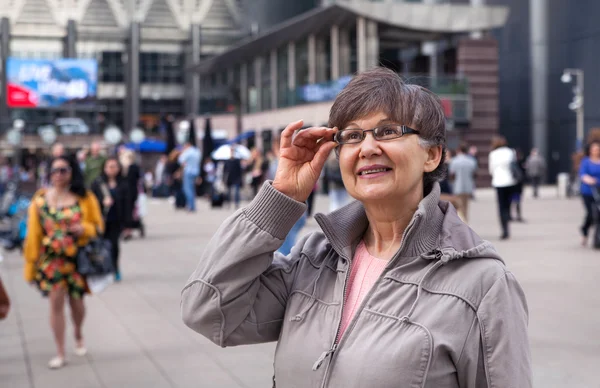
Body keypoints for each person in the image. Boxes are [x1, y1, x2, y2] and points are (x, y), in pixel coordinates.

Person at [182, 68, 531, 387]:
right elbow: (210, 310)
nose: (366, 148)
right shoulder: (315, 257)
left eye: (388, 131)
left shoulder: (482, 283)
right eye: (351, 136)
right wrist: (280, 198)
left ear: (432, 155)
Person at [23, 155, 103, 369]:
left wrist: (84, 229)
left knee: (77, 303)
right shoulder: (40, 200)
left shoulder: (84, 198)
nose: (59, 175)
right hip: (51, 261)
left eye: (64, 170)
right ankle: (60, 351)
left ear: (72, 172)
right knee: (55, 303)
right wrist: (30, 268)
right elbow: (33, 237)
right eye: (55, 170)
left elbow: (98, 226)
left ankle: (78, 332)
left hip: (77, 259)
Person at [92, 157, 129, 281]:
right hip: (101, 220)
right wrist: (103, 203)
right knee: (100, 245)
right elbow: (92, 202)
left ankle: (115, 268)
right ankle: (101, 269)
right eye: (109, 166)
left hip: (116, 220)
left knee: (114, 245)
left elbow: (127, 204)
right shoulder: (97, 183)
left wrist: (128, 224)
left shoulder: (123, 183)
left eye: (114, 166)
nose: (112, 169)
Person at [488, 135, 518, 240]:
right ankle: (508, 218)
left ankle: (504, 230)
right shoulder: (511, 152)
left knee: (501, 206)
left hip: (498, 182)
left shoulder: (493, 154)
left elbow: (491, 170)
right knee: (508, 204)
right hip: (510, 181)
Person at [579, 140, 600, 247]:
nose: (596, 151)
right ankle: (585, 231)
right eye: (594, 149)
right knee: (591, 214)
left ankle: (597, 237)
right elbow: (582, 174)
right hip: (588, 191)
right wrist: (590, 180)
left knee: (598, 215)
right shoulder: (586, 161)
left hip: (599, 191)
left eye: (598, 149)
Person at [449, 143, 477, 222]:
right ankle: (465, 222)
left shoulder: (454, 161)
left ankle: (462, 223)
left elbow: (452, 175)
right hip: (468, 186)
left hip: (457, 186)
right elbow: (474, 174)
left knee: (459, 207)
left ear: (458, 150)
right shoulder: (472, 161)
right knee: (466, 207)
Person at [178, 141, 201, 212]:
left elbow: (180, 160)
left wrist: (184, 165)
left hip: (188, 171)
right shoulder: (197, 151)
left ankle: (191, 206)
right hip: (196, 171)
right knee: (193, 189)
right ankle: (193, 205)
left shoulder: (187, 152)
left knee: (187, 189)